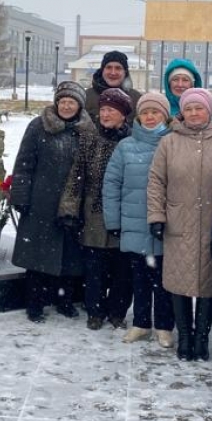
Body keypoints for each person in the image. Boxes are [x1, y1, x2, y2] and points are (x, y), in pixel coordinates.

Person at [148, 87, 212, 361]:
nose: (194, 113)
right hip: (178, 224)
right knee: (178, 282)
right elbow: (156, 182)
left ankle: (201, 338)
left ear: (209, 111)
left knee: (209, 283)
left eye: (199, 108)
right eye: (189, 108)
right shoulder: (169, 143)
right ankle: (184, 336)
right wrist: (157, 216)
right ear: (181, 112)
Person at [12, 80, 93, 322]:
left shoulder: (87, 131)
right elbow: (24, 164)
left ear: (79, 106)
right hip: (40, 202)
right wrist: (20, 194)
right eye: (63, 101)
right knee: (37, 257)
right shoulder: (38, 126)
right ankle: (34, 304)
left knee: (70, 257)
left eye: (72, 102)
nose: (67, 106)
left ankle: (64, 300)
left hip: (73, 204)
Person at [103, 91, 174, 346]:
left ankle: (164, 325)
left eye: (156, 112)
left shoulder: (172, 143)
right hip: (133, 224)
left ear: (164, 116)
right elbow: (111, 184)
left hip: (165, 226)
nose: (150, 117)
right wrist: (113, 222)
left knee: (164, 281)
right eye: (146, 112)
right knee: (139, 279)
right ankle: (141, 323)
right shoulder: (126, 146)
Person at [59, 87, 133, 330]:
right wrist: (70, 209)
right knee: (94, 269)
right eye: (102, 109)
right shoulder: (90, 140)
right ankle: (95, 311)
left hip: (124, 215)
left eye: (111, 110)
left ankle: (117, 312)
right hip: (93, 213)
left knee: (122, 270)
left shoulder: (131, 142)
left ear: (123, 115)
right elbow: (75, 176)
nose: (105, 114)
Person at [85, 50, 141, 125]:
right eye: (109, 67)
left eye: (118, 68)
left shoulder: (137, 99)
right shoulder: (86, 97)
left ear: (125, 72)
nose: (113, 72)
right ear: (102, 71)